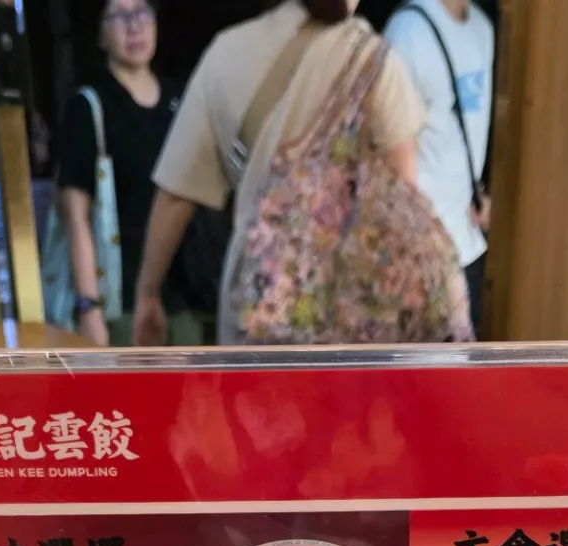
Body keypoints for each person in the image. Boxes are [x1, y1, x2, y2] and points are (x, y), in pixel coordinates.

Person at [131, 0, 424, 346]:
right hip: (348, 311)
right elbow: (406, 206)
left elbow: (175, 195)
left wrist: (148, 293)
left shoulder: (227, 52)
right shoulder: (375, 62)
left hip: (254, 301)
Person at [56, 0, 202, 345]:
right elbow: (75, 216)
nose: (134, 26)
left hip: (184, 297)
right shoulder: (89, 107)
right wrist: (88, 307)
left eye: (142, 13)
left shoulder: (181, 100)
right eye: (120, 16)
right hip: (119, 302)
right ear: (101, 35)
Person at [384, 0, 494, 334]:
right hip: (420, 255)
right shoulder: (407, 32)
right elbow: (386, 143)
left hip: (467, 244)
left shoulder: (483, 29)